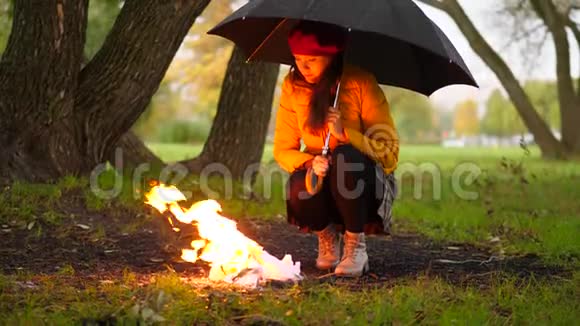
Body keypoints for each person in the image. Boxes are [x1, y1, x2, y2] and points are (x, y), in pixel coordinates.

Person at [273, 21, 399, 277]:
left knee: (345, 158)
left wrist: (346, 134)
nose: (303, 67)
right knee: (299, 183)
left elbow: (389, 152)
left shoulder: (361, 82)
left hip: (364, 182)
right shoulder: (293, 86)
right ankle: (327, 237)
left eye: (312, 59)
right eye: (298, 59)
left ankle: (355, 244)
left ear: (332, 56)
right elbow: (282, 149)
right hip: (323, 176)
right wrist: (310, 162)